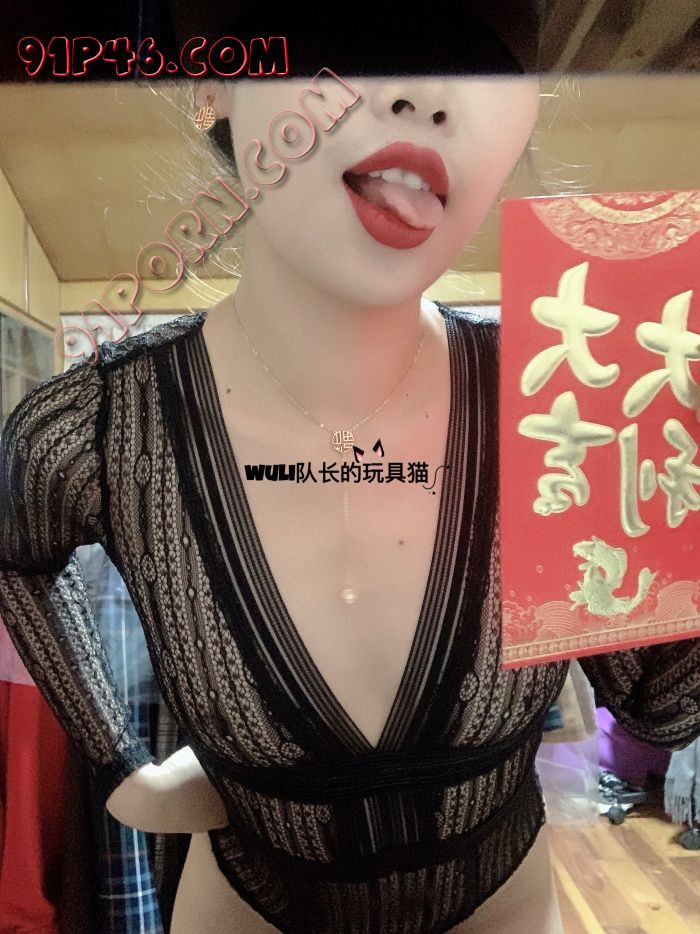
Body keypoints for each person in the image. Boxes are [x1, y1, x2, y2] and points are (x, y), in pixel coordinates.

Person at [1, 66, 699, 934]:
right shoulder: (98, 427)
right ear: (213, 85)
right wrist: (119, 765)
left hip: (504, 903)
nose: (428, 90)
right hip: (248, 908)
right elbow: (19, 554)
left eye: (488, 48)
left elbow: (663, 706)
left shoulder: (564, 404)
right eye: (338, 30)